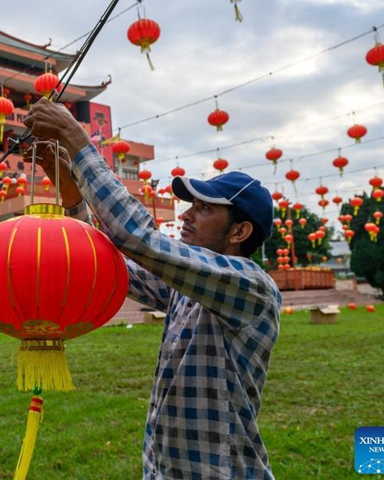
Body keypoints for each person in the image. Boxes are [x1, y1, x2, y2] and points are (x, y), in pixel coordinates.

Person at [23, 98, 281, 480]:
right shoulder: (188, 288)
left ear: (240, 232)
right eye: (191, 204)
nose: (187, 214)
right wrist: (73, 196)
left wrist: (76, 139)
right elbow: (106, 267)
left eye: (205, 208)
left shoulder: (251, 287)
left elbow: (139, 239)